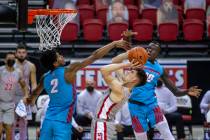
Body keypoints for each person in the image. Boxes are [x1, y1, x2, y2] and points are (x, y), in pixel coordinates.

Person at [25, 39, 130, 140]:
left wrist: (29, 100)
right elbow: (94, 56)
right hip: (62, 122)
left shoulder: (45, 77)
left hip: (47, 120)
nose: (62, 56)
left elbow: (34, 94)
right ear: (55, 63)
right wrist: (114, 44)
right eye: (59, 56)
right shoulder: (68, 71)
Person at [116, 41, 201, 140]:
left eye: (152, 49)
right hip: (135, 106)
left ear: (158, 53)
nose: (149, 50)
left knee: (166, 133)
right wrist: (128, 39)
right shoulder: (139, 60)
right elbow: (129, 50)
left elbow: (175, 91)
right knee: (141, 137)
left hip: (151, 105)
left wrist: (187, 91)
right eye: (148, 48)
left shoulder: (160, 69)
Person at [91, 56, 147, 140]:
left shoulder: (120, 89)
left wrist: (126, 64)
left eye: (131, 72)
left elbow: (103, 70)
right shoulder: (125, 86)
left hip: (102, 125)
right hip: (106, 123)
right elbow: (115, 60)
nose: (128, 71)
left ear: (134, 80)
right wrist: (128, 54)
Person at [0, 52, 29, 140]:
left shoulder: (18, 72)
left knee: (9, 130)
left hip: (10, 104)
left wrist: (26, 95)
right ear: (5, 60)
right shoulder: (0, 70)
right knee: (0, 129)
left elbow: (24, 85)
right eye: (9, 59)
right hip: (0, 102)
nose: (11, 60)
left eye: (13, 59)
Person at [13, 43, 37, 140]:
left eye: (23, 52)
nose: (21, 54)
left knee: (24, 122)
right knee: (12, 122)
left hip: (25, 97)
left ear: (26, 54)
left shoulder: (31, 66)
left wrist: (33, 97)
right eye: (19, 52)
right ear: (16, 54)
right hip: (12, 96)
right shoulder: (11, 65)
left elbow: (34, 83)